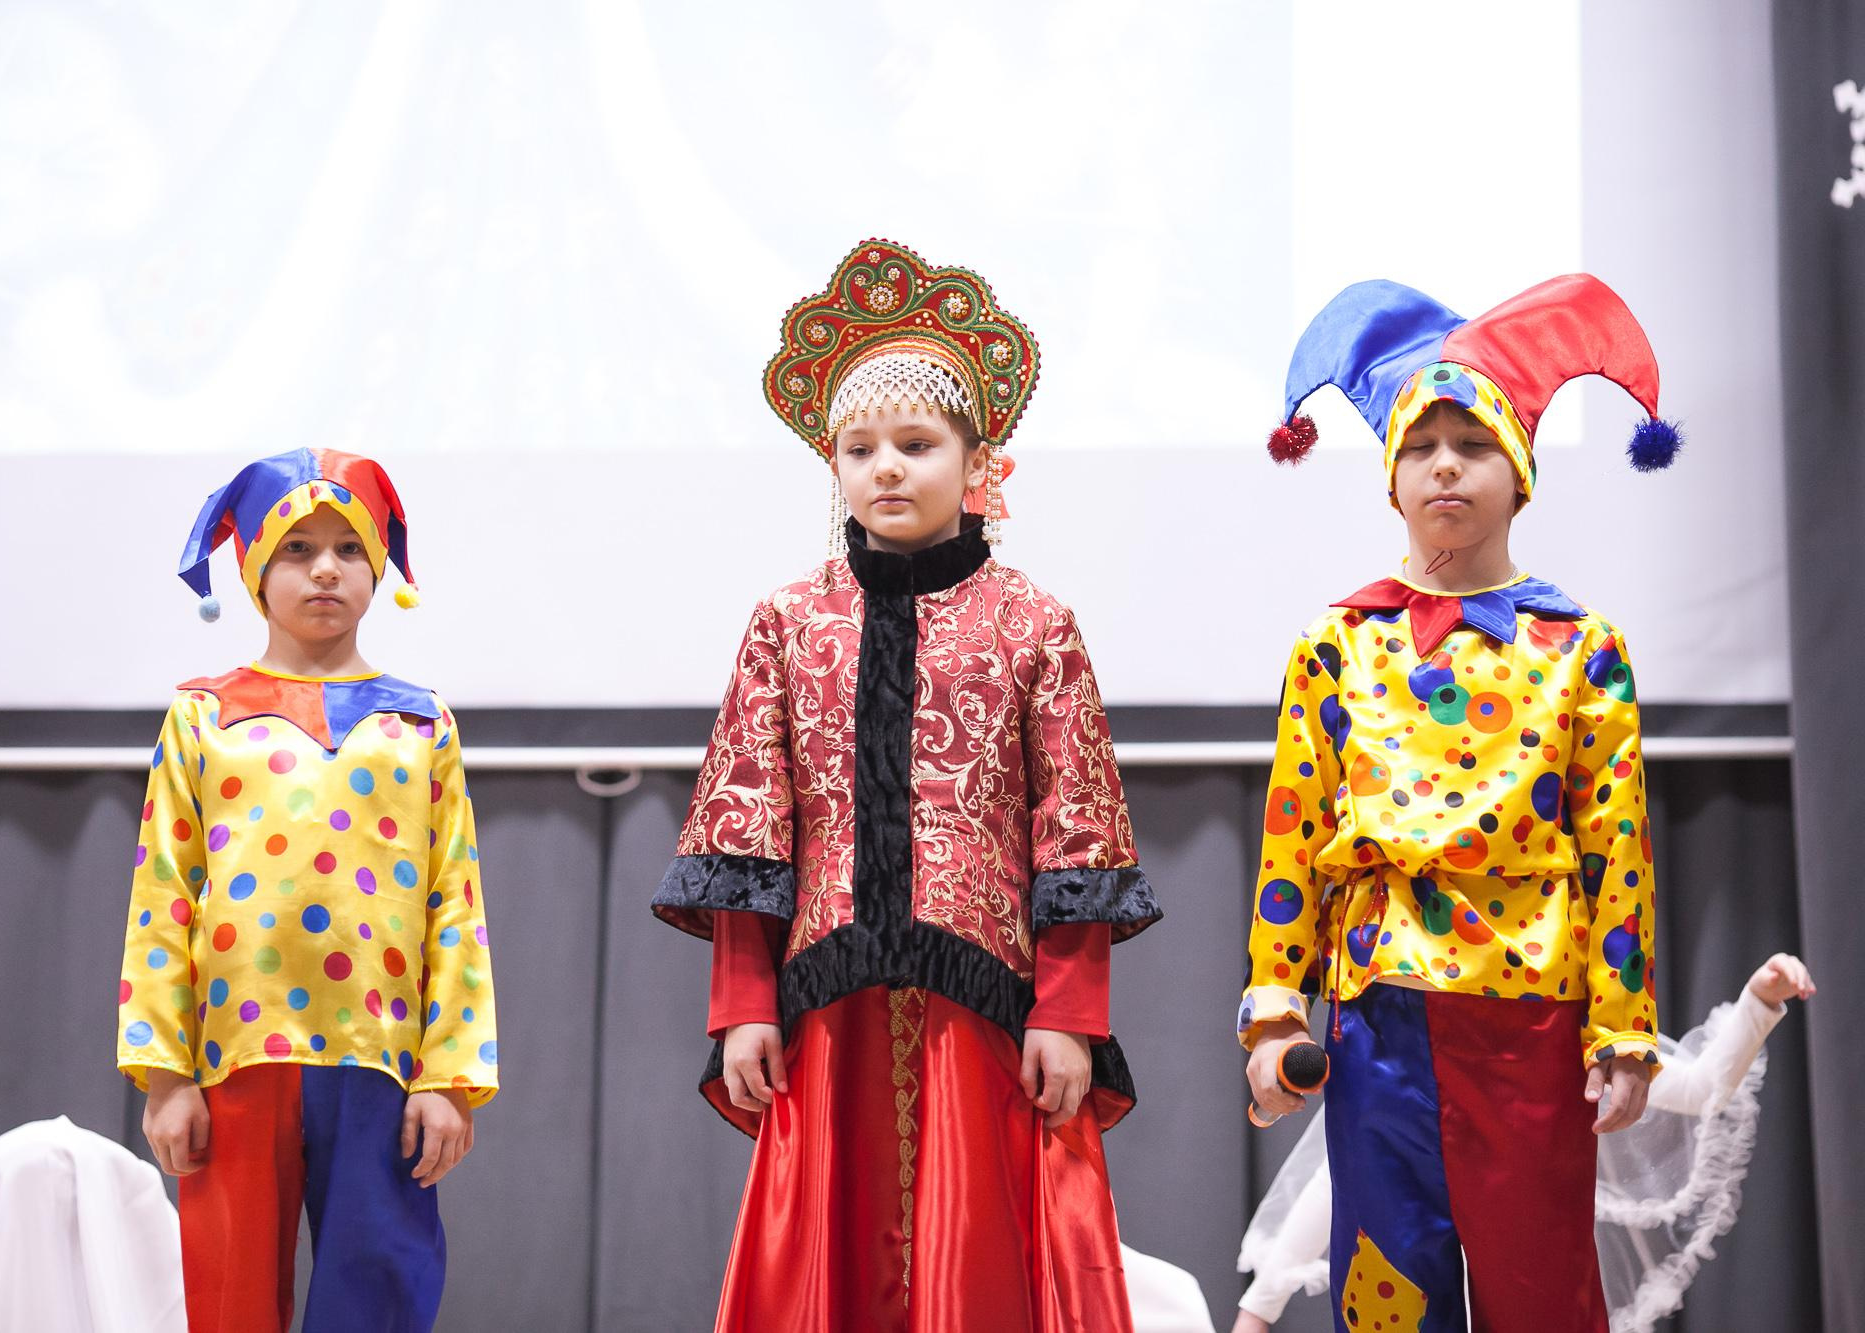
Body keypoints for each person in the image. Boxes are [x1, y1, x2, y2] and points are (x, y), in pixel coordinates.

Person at [652, 239, 1163, 1331]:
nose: (886, 466)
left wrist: (1067, 1013)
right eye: (859, 446)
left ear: (976, 463)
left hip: (984, 1003)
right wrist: (742, 1007)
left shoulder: (1033, 622)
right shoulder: (789, 623)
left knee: (977, 1255)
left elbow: (1075, 832)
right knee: (831, 1255)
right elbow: (749, 824)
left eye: (916, 443)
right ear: (831, 465)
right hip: (824, 1003)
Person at [1239, 276, 1684, 1331]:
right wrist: (1271, 1012)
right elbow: (1291, 839)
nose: (1444, 464)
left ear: (1519, 475)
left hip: (1527, 1008)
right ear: (1389, 478)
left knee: (1541, 1289)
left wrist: (1620, 1029)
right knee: (1387, 1289)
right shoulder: (1335, 643)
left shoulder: (1580, 646)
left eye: (1472, 443)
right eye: (1419, 445)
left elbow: (1613, 845)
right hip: (1375, 1010)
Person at [116, 448, 498, 1333]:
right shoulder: (202, 716)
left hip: (380, 1056)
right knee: (229, 1295)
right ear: (251, 564)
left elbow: (455, 902)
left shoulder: (419, 719)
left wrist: (447, 1075)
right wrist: (166, 1076)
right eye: (296, 549)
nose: (325, 569)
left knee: (378, 1288)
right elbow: (163, 893)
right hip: (234, 1059)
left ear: (378, 569)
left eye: (348, 548)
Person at [1230, 953, 1814, 1333]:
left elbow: (1696, 1086)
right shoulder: (1404, 1054)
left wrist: (1759, 1004)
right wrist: (1258, 1311)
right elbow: (1341, 1188)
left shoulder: (1585, 1033)